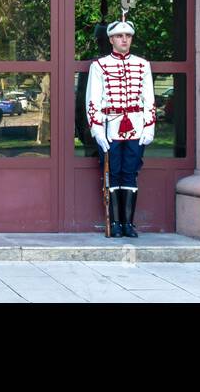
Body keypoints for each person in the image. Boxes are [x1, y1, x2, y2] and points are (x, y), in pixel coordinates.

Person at [85, 19, 155, 237]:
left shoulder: (143, 65)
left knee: (130, 173)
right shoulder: (99, 66)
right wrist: (96, 128)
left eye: (128, 36)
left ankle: (128, 224)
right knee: (112, 173)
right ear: (111, 39)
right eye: (119, 36)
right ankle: (115, 223)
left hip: (135, 125)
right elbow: (93, 99)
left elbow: (149, 98)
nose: (124, 40)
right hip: (110, 126)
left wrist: (149, 126)